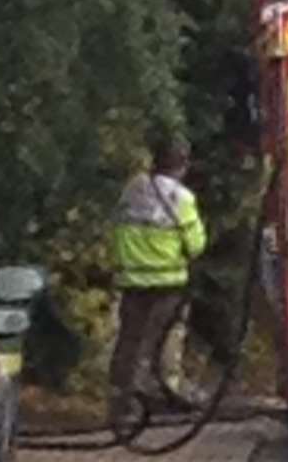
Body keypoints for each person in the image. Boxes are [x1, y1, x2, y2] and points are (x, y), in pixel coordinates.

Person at [108, 133, 207, 430]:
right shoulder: (182, 198)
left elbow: (117, 230)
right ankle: (166, 396)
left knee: (129, 341)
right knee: (166, 340)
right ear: (182, 164)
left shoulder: (131, 191)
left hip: (131, 281)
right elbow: (196, 245)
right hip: (168, 283)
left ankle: (121, 403)